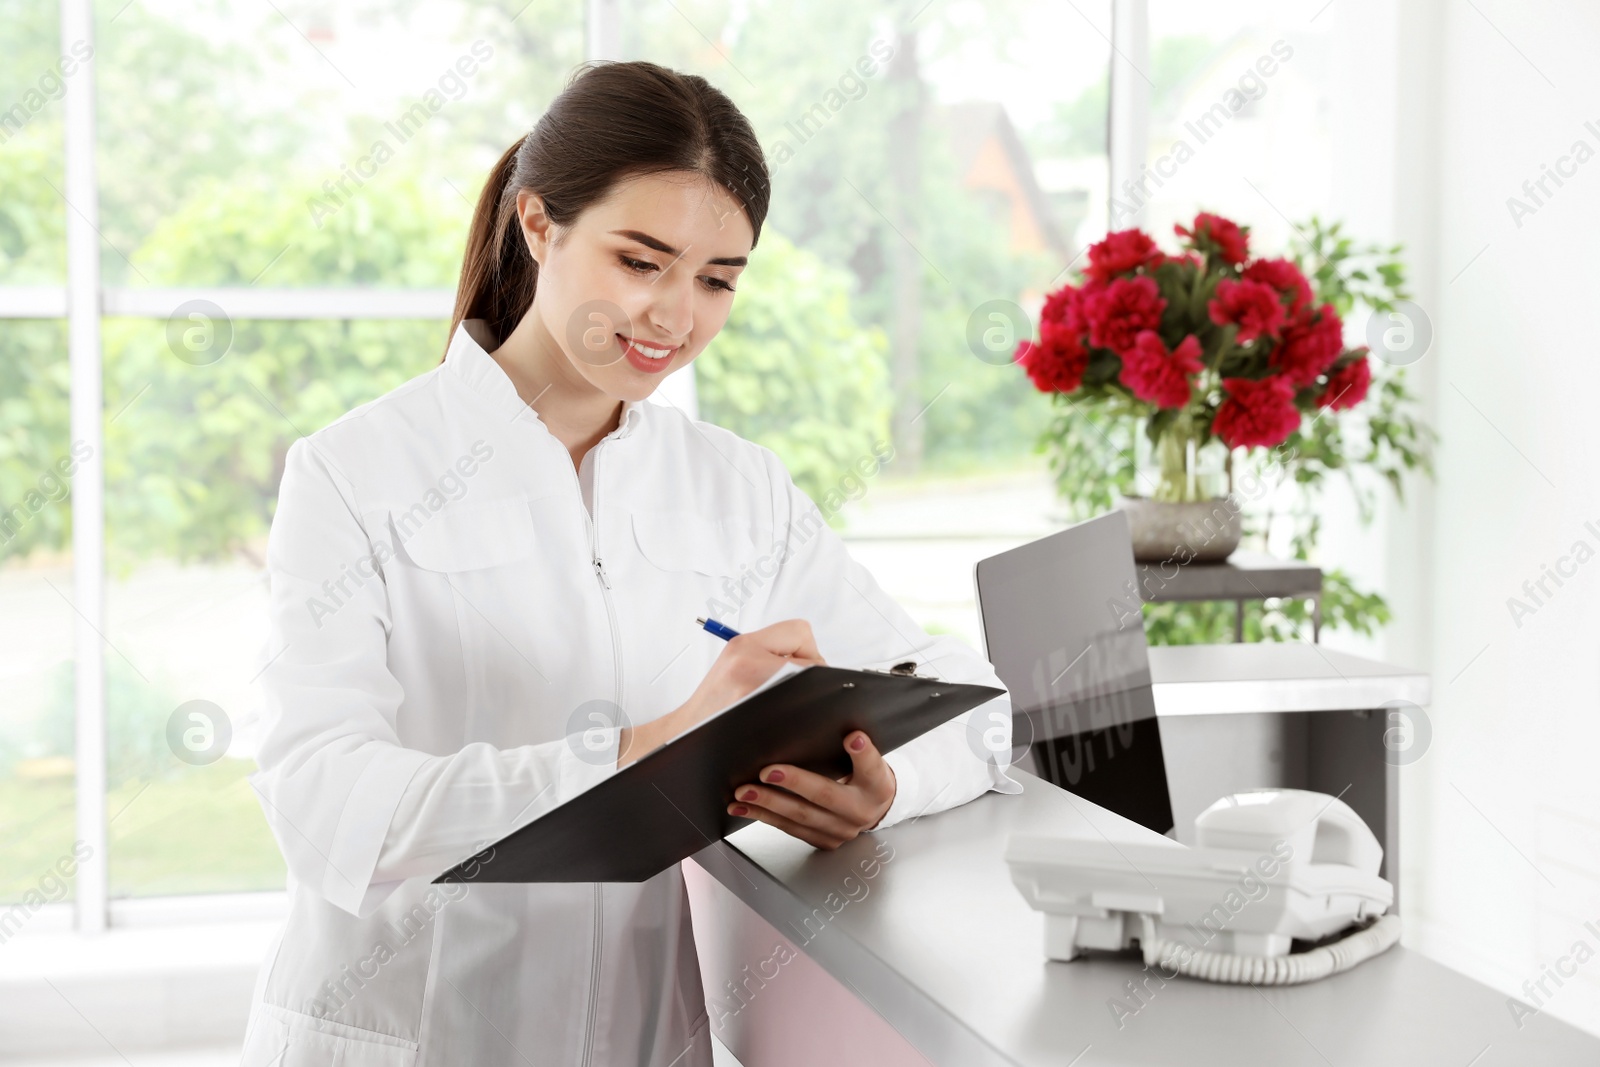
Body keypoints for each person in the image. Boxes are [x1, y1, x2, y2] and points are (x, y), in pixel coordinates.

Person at [241, 59, 1019, 1067]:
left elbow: (967, 695)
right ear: (537, 225)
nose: (671, 316)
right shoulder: (355, 470)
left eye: (715, 280)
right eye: (639, 261)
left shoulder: (739, 489)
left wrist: (884, 783)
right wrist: (645, 750)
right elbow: (323, 801)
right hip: (409, 1034)